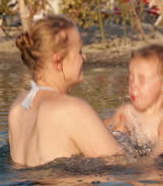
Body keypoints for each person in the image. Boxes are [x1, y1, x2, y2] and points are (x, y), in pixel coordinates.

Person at [9, 15, 124, 167]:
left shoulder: (19, 107)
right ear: (58, 62)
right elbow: (121, 166)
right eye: (79, 51)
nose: (84, 57)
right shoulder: (73, 109)